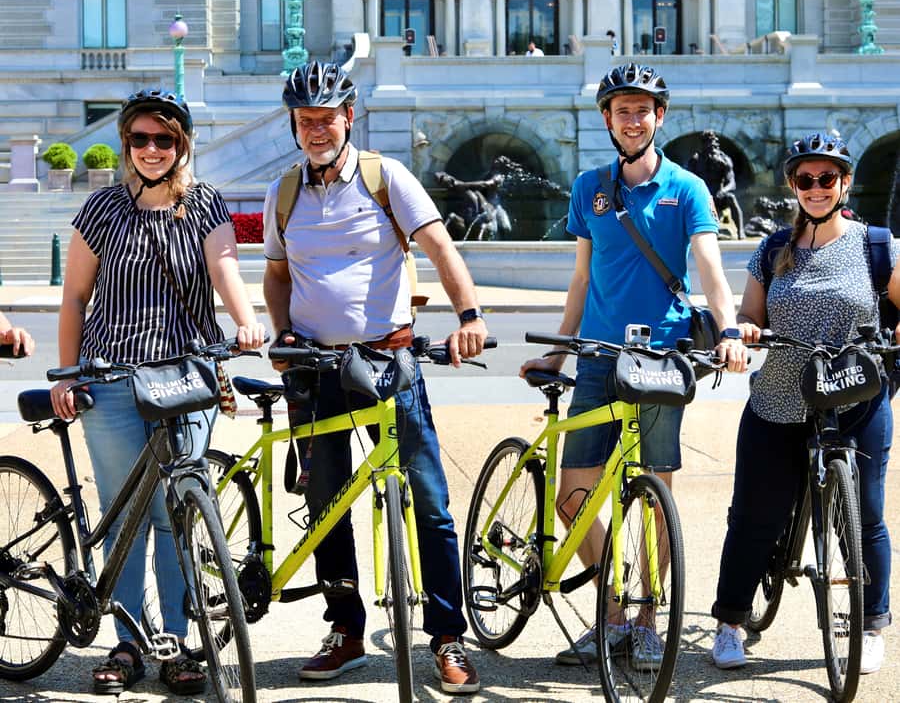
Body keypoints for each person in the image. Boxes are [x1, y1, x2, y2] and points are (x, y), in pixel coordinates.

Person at [263, 61, 488, 695]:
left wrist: (468, 315)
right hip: (313, 367)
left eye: (325, 119)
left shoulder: (386, 178)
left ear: (348, 119)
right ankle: (347, 632)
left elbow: (441, 247)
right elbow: (277, 275)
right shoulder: (286, 193)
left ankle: (447, 637)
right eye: (305, 121)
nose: (315, 130)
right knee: (326, 505)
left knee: (430, 500)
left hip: (388, 360)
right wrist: (280, 334)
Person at [519, 62, 747, 666]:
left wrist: (726, 329)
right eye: (622, 109)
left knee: (654, 494)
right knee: (573, 495)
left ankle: (648, 618)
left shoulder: (687, 188)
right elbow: (579, 277)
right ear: (607, 119)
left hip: (661, 358)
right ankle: (612, 614)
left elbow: (710, 268)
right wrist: (559, 346)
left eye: (643, 109)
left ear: (659, 117)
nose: (633, 118)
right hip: (596, 356)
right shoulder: (589, 186)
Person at [50, 88, 266, 696]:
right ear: (126, 145)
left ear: (182, 145)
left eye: (163, 139)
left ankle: (173, 639)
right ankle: (125, 642)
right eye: (139, 139)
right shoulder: (102, 209)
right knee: (127, 517)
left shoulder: (204, 206)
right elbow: (74, 298)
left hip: (186, 378)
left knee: (178, 516)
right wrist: (68, 372)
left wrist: (245, 319)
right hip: (112, 377)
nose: (150, 149)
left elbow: (226, 269)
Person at [711, 131, 896, 675]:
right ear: (794, 185)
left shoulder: (876, 245)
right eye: (805, 179)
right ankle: (731, 623)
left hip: (857, 397)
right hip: (780, 399)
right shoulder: (773, 249)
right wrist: (742, 336)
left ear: (844, 183)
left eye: (827, 178)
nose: (816, 188)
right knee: (753, 517)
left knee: (865, 516)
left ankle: (869, 623)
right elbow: (751, 316)